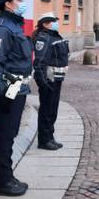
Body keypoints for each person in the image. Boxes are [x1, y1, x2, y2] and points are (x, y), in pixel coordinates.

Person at [0, 0, 32, 196]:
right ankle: (1, 183)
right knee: (4, 136)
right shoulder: (2, 29)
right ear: (7, 4)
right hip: (7, 91)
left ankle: (7, 175)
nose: (21, 4)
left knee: (10, 135)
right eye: (18, 1)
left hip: (17, 90)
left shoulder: (13, 26)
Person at [33, 12, 70, 150]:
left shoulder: (54, 36)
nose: (56, 23)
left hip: (57, 80)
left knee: (53, 111)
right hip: (48, 81)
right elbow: (40, 62)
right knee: (46, 111)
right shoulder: (44, 38)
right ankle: (44, 140)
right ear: (45, 24)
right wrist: (42, 82)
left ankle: (50, 137)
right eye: (53, 21)